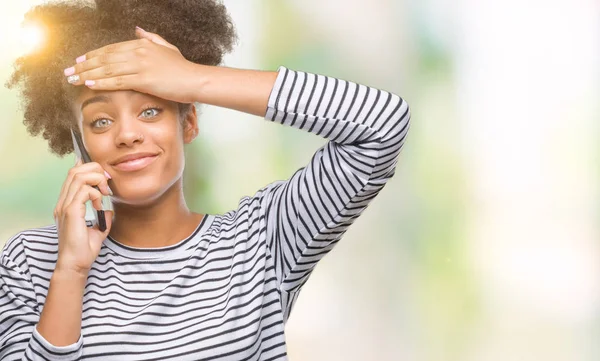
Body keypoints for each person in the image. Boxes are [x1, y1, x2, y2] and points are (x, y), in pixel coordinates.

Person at [0, 0, 411, 360]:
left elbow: (381, 125)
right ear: (80, 144)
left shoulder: (261, 241)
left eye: (150, 111)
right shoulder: (29, 263)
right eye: (101, 120)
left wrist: (194, 78)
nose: (127, 134)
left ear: (189, 122)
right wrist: (70, 271)